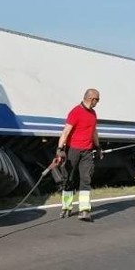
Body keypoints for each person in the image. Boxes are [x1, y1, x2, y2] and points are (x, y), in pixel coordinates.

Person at [53, 88, 102, 221]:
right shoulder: (75, 112)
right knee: (68, 179)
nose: (98, 102)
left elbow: (94, 132)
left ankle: (84, 210)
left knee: (86, 179)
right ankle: (66, 207)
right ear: (91, 99)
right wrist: (59, 149)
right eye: (98, 100)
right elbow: (65, 132)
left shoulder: (93, 114)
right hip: (72, 151)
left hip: (87, 151)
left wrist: (97, 147)